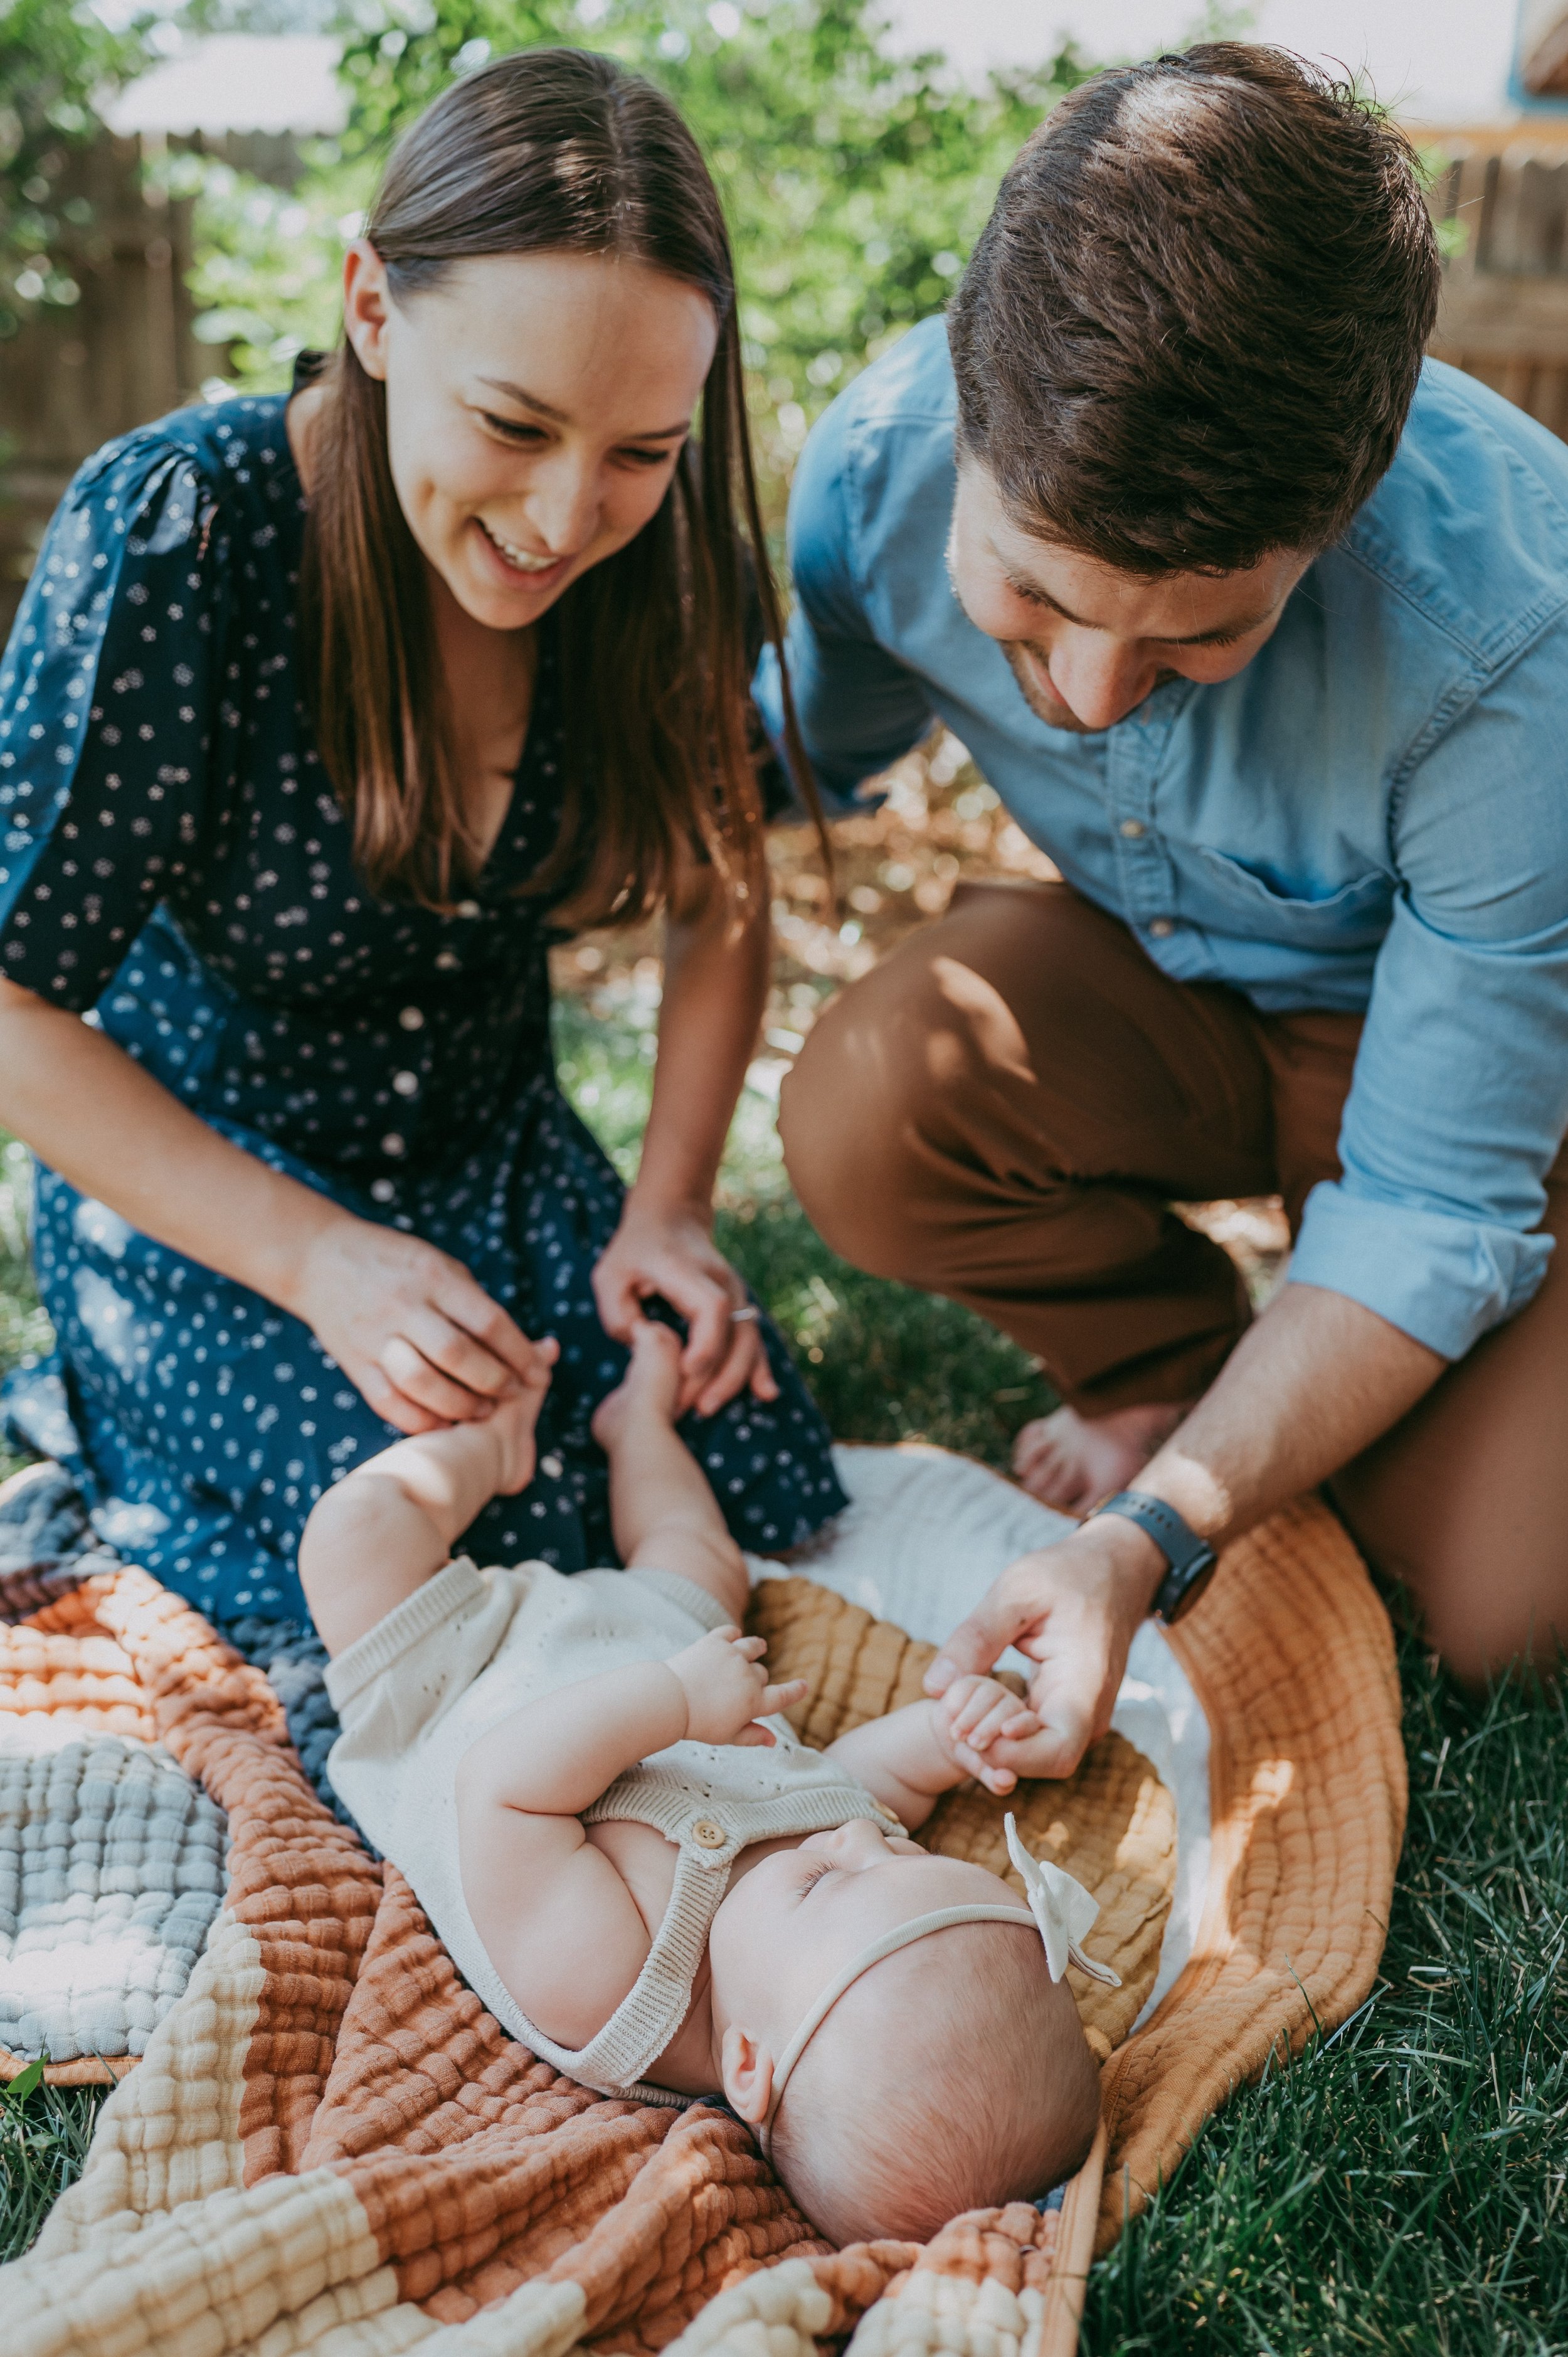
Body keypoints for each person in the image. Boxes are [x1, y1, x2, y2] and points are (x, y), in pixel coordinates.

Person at [760, 43, 1568, 1764]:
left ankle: (1265, 1413)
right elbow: (796, 754)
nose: (1092, 693)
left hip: (1455, 1058)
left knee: (1497, 1596)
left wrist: (1152, 1533)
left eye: (1198, 636)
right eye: (1028, 598)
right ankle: (1162, 1360)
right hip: (1164, 992)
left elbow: (1433, 1196)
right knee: (867, 1099)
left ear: (1334, 520)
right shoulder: (870, 474)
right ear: (966, 420)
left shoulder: (1513, 636)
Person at [0, 47, 846, 1621]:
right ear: (373, 309)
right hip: (215, 1190)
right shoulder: (181, 533)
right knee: (448, 1544)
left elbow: (718, 886)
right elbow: (12, 1006)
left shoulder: (667, 564)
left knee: (739, 1450)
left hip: (494, 1156)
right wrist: (321, 1262)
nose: (559, 516)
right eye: (513, 425)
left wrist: (663, 1206)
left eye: (638, 455)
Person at [299, 1316, 1104, 2243]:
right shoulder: (818, 1916)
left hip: (458, 1675)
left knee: (353, 1534)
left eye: (830, 1876)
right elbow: (853, 1785)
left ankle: (498, 1439)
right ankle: (636, 1425)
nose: (853, 1835)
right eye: (899, 1846)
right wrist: (945, 1737)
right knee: (696, 1547)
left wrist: (675, 1702)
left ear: (748, 2064)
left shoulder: (615, 1987)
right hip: (657, 1631)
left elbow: (505, 1789)